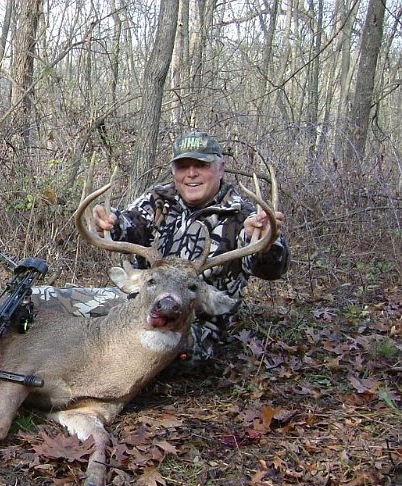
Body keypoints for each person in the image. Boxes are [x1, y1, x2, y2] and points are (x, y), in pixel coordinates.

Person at [32, 131, 290, 363]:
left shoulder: (243, 217)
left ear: (221, 169)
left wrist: (265, 243)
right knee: (38, 299)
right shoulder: (159, 199)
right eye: (183, 166)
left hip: (193, 329)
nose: (191, 173)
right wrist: (109, 223)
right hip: (139, 305)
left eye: (201, 165)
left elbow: (272, 269)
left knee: (117, 346)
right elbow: (130, 224)